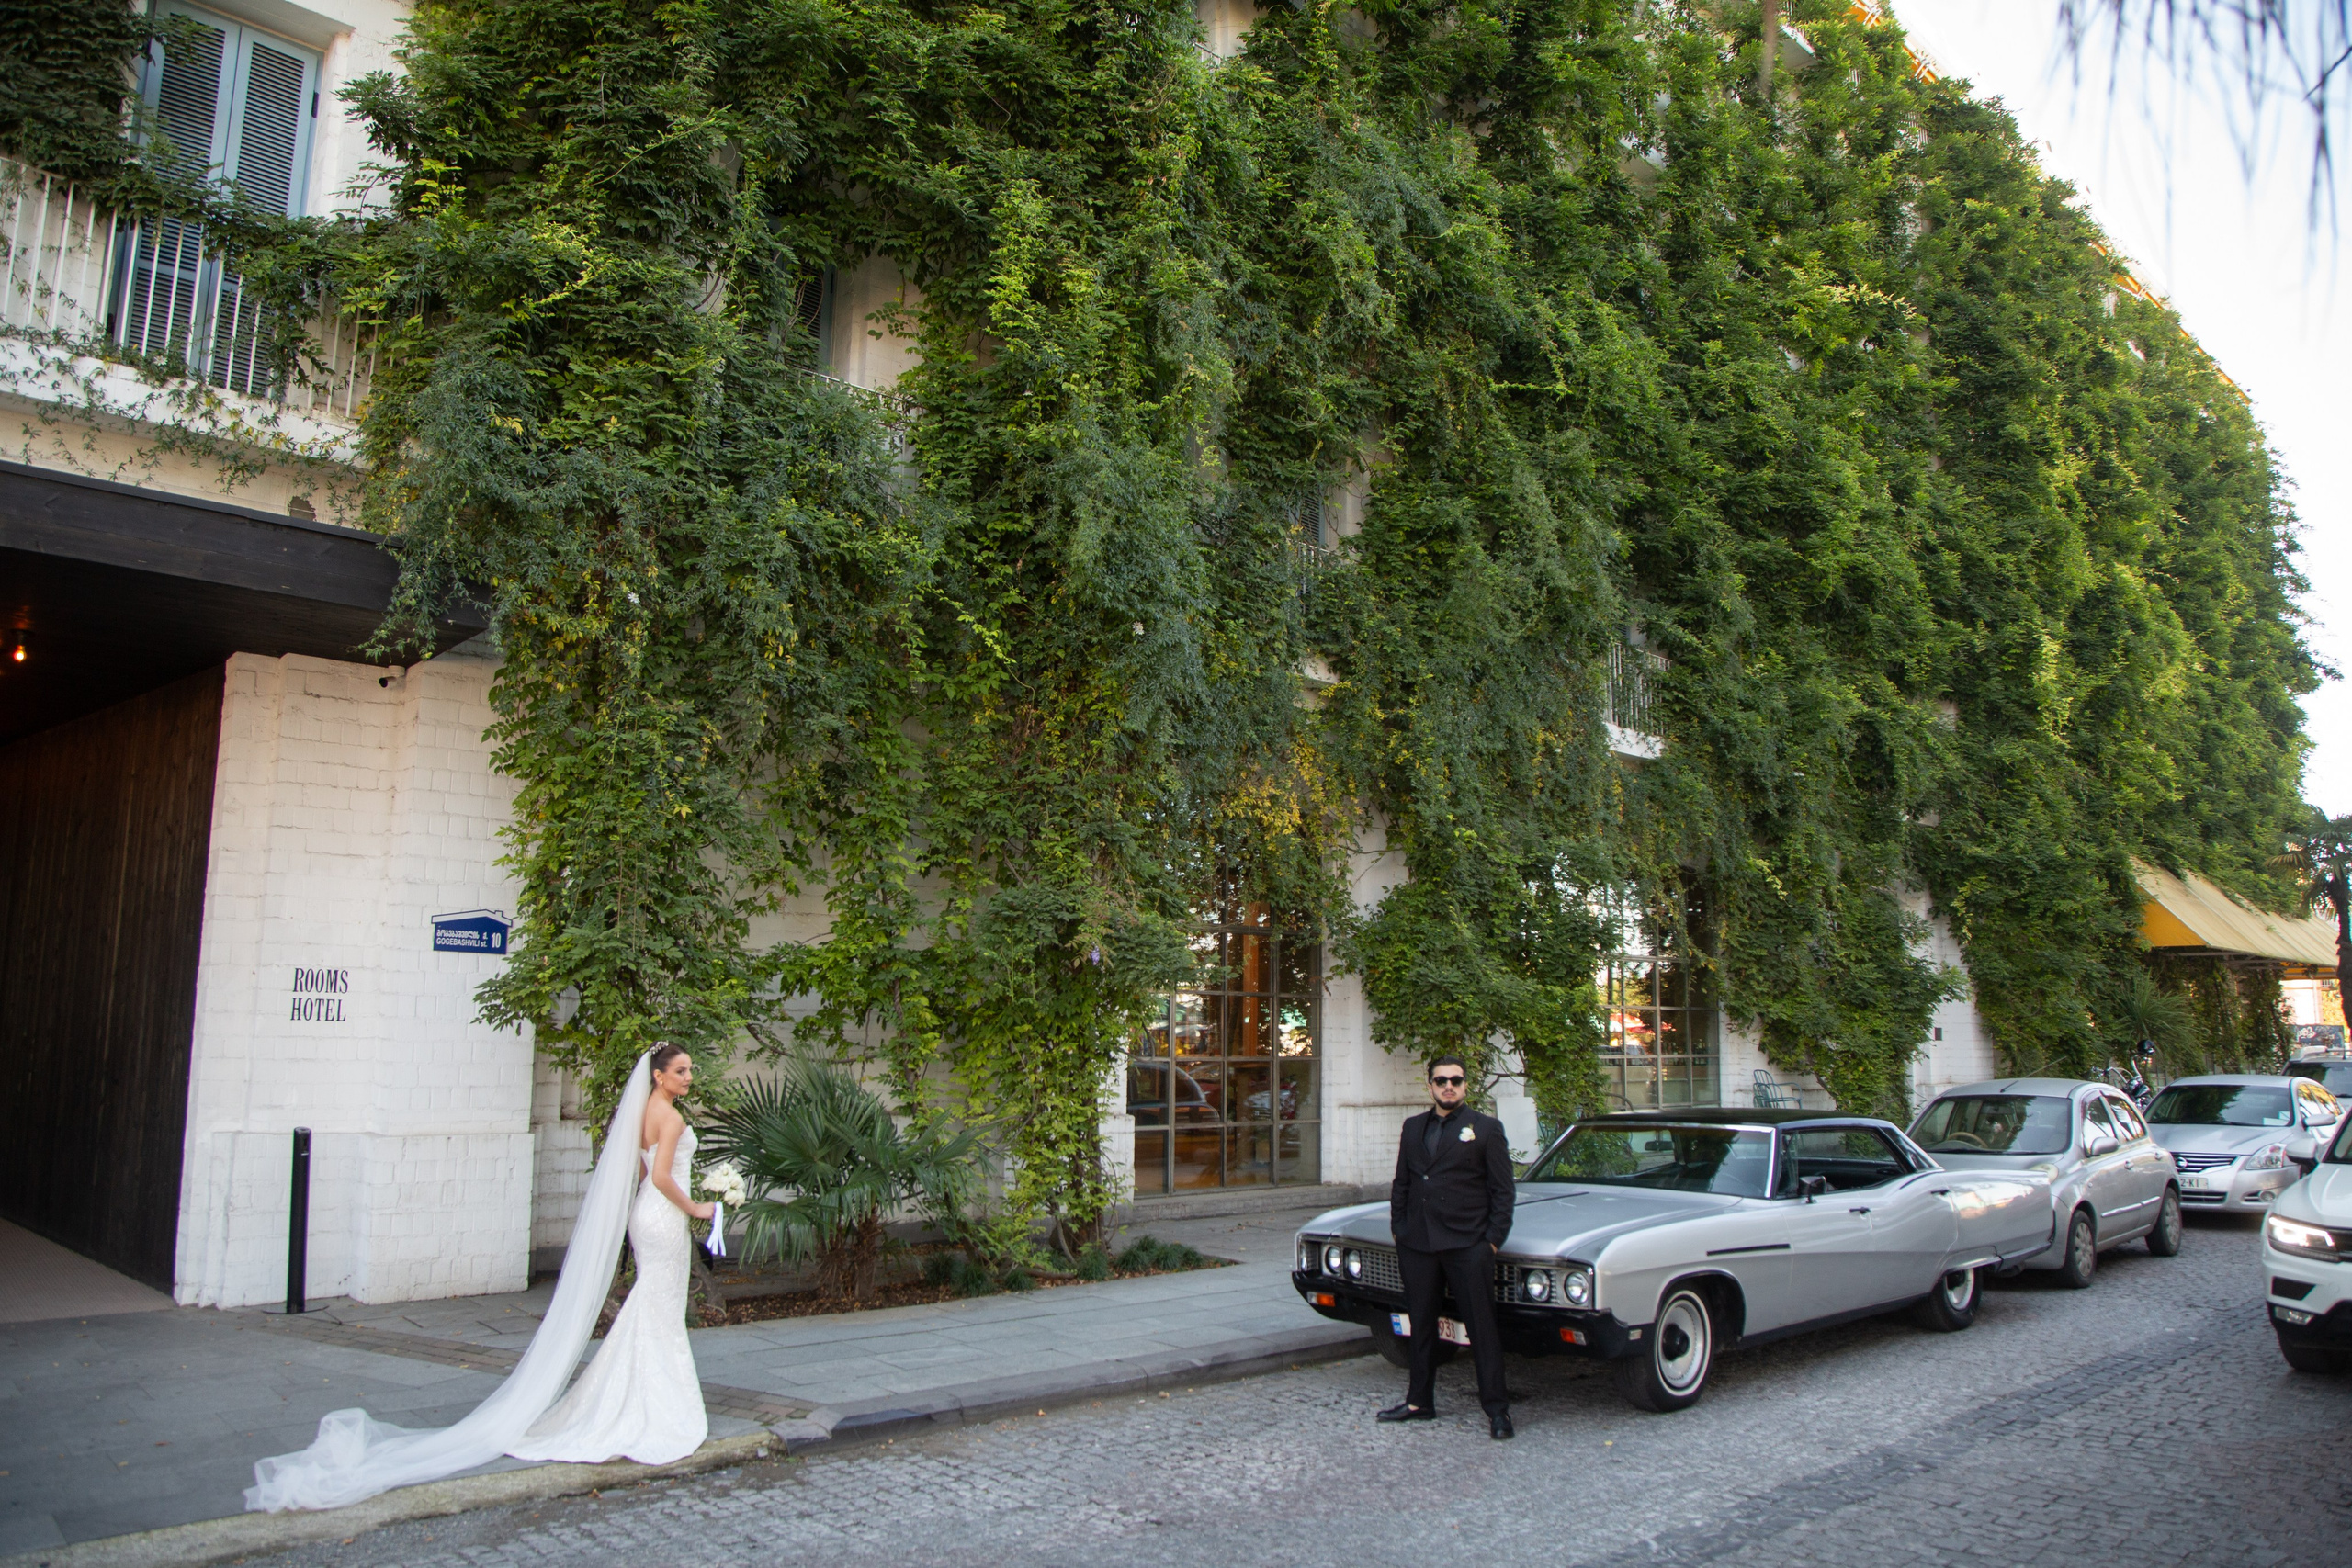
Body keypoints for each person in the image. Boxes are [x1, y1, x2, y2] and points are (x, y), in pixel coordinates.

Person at [245, 1044, 715, 1512]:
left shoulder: (643, 1112)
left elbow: (638, 1168)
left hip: (646, 1219)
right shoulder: (670, 1118)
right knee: (659, 1305)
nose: (689, 1076)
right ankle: (650, 1405)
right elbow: (658, 1179)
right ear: (658, 1076)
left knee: (651, 1304)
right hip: (664, 1217)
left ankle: (636, 1396)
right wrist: (697, 1206)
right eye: (681, 1070)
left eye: (689, 1070)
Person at [1380, 1055, 1516, 1439]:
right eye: (1441, 1081)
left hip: (1467, 1244)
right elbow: (1402, 1182)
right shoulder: (1412, 1128)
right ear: (1430, 1086)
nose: (1448, 1086)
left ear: (1466, 1085)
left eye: (1455, 1080)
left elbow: (1503, 1191)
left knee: (1482, 1329)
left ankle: (1497, 1410)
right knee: (1420, 1326)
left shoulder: (1486, 1129)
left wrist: (1490, 1241)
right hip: (1418, 1243)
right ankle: (1419, 1401)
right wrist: (1399, 1228)